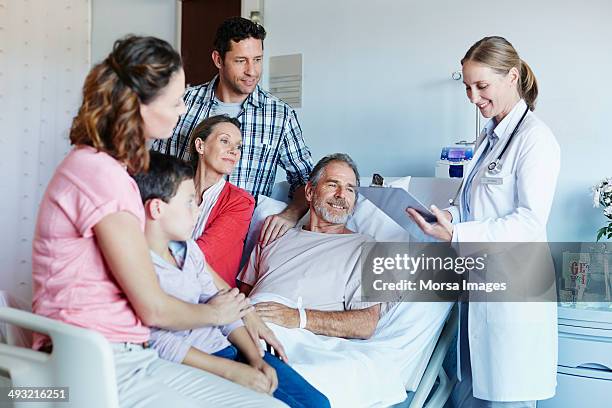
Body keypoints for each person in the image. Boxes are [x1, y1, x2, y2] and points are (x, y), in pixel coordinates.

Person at [31, 35, 286, 407]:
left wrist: (239, 316)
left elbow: (189, 265)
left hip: (128, 352)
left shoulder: (108, 169)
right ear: (140, 105)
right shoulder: (100, 174)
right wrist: (217, 313)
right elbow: (153, 306)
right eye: (176, 101)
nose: (183, 111)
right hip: (95, 360)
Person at [407, 36, 560, 407]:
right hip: (476, 285)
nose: (474, 98)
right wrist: (447, 217)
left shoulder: (535, 140)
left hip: (514, 294)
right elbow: (473, 205)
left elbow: (529, 221)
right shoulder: (488, 138)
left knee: (506, 397)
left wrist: (457, 231)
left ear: (511, 76)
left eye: (482, 86)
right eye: (467, 88)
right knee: (472, 392)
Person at [132, 151, 330, 408]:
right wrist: (234, 364)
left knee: (319, 403)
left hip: (234, 341)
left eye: (350, 188)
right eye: (190, 201)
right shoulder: (140, 266)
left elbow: (226, 306)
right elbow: (161, 336)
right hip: (206, 354)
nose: (342, 195)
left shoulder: (375, 242)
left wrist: (256, 357)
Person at [152, 16, 313, 246]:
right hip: (177, 235)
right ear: (218, 59)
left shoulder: (279, 115)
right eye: (241, 61)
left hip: (241, 242)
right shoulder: (183, 104)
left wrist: (290, 214)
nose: (252, 71)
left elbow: (306, 179)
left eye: (257, 59)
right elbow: (156, 167)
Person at [238, 154, 384, 339]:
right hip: (242, 331)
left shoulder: (370, 248)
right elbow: (242, 296)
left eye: (350, 189)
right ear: (309, 192)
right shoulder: (275, 234)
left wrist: (298, 317)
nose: (341, 195)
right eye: (332, 184)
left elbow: (366, 325)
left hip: (294, 338)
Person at [188, 115, 255, 287]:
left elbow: (200, 257)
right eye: (225, 141)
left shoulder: (241, 202)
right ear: (200, 145)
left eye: (238, 146)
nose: (234, 150)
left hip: (209, 297)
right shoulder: (172, 189)